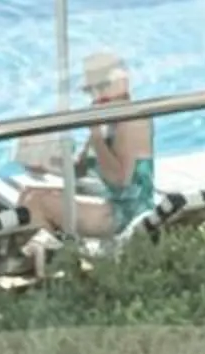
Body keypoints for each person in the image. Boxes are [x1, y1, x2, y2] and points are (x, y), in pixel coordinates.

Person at [22, 51, 154, 240]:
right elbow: (81, 170)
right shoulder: (107, 118)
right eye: (93, 89)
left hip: (124, 213)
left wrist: (96, 137)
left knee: (37, 203)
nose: (97, 95)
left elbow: (120, 180)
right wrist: (46, 164)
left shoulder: (131, 120)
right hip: (105, 203)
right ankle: (43, 256)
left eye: (103, 87)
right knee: (28, 194)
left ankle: (53, 261)